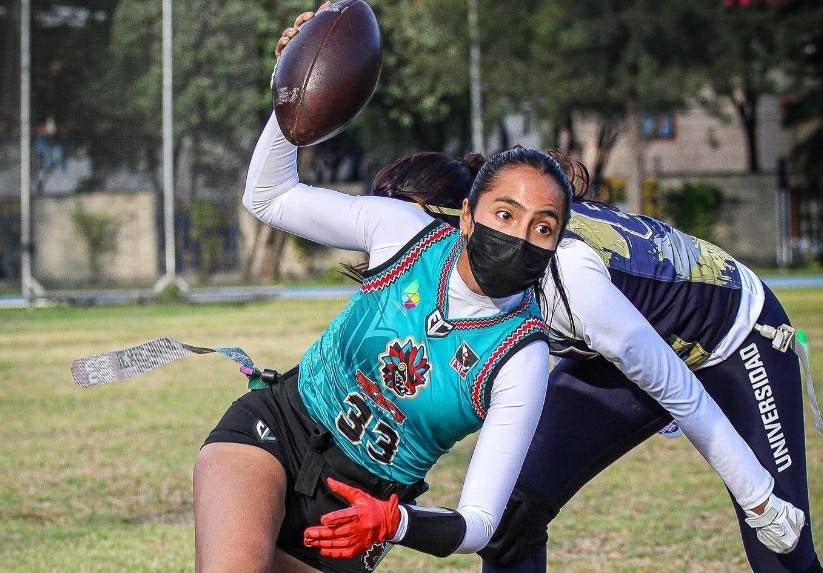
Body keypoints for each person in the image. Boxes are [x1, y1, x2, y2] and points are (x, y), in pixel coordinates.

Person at [192, 12, 578, 573]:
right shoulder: (406, 234)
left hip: (362, 508)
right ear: (467, 217)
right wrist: (291, 100)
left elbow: (480, 521)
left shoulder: (521, 357)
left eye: (542, 227)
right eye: (504, 213)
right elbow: (269, 196)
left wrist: (393, 522)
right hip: (280, 429)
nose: (519, 235)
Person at [373, 153, 819, 572]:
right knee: (511, 515)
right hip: (619, 351)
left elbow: (675, 385)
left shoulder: (567, 275)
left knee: (780, 548)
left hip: (733, 338)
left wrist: (759, 500)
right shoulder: (458, 271)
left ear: (462, 221)